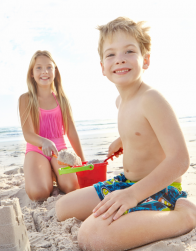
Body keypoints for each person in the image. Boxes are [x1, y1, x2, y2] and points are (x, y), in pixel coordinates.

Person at [55, 17, 196, 250]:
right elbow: (143, 129)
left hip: (157, 189)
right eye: (110, 54)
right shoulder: (121, 100)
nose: (119, 58)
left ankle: (185, 216)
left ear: (146, 60)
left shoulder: (152, 99)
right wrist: (123, 140)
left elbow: (180, 160)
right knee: (63, 208)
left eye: (129, 51)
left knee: (93, 237)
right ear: (102, 66)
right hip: (127, 184)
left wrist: (133, 195)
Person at [19, 50, 85, 201]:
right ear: (32, 73)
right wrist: (44, 141)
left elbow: (71, 132)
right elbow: (28, 134)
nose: (45, 72)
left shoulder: (62, 99)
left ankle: (55, 173)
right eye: (39, 68)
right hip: (37, 149)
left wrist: (82, 160)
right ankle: (46, 173)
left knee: (73, 187)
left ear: (55, 71)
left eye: (49, 67)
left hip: (60, 150)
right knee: (39, 193)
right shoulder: (25, 99)